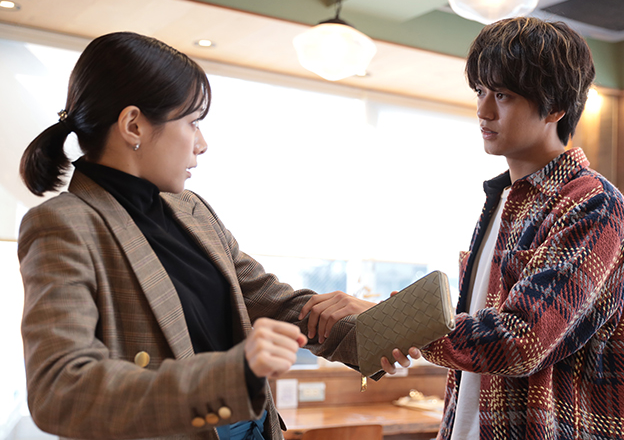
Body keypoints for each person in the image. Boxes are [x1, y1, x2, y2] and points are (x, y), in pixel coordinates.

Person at [17, 31, 376, 440]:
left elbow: (277, 304)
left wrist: (386, 331)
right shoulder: (64, 225)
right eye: (192, 123)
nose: (202, 144)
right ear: (133, 125)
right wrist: (235, 373)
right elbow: (60, 390)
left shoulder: (193, 210)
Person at [386, 17, 624, 439]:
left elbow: (520, 341)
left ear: (555, 107)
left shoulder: (593, 204)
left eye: (502, 95)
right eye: (480, 91)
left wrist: (405, 324)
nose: (483, 111)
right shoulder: (500, 200)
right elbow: (478, 339)